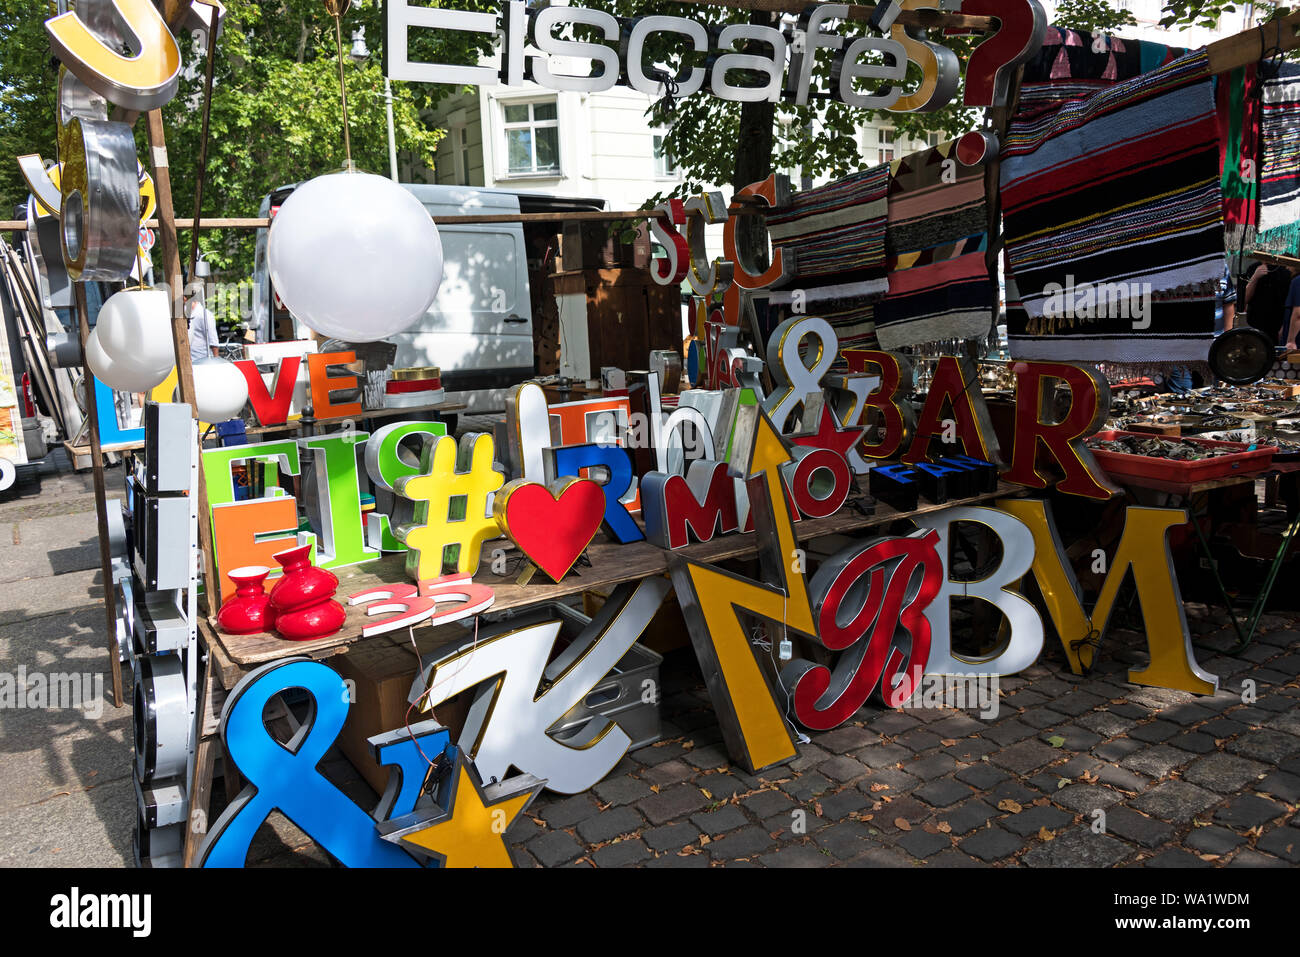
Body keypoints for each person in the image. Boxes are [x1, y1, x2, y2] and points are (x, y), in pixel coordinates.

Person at [187, 295, 220, 362]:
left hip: (202, 359)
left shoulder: (205, 314)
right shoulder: (186, 313)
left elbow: (213, 340)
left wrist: (216, 361)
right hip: (190, 359)